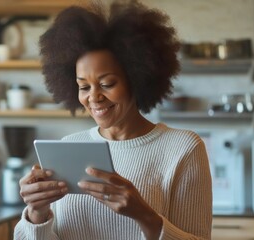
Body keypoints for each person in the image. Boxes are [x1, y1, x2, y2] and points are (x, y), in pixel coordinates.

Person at [14, 1, 212, 239]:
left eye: (107, 84)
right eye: (83, 86)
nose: (94, 97)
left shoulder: (183, 149)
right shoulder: (70, 146)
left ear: (138, 79)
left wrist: (144, 215)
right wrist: (37, 213)